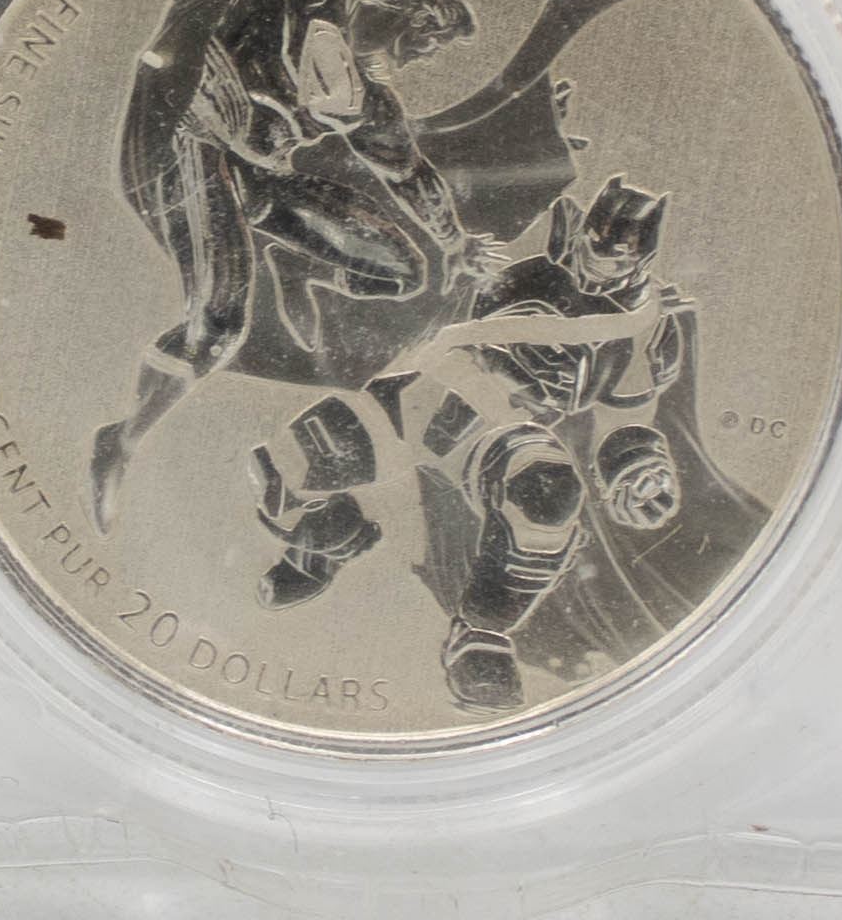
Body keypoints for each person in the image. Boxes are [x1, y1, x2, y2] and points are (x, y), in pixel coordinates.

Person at [90, 0, 497, 533]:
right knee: (219, 321)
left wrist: (454, 244)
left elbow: (411, 176)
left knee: (401, 269)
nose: (421, 59)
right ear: (415, 20)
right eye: (429, 44)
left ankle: (293, 260)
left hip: (249, 175)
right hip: (183, 130)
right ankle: (124, 439)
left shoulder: (370, 104)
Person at [248, 176, 688, 712]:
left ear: (643, 256)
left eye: (622, 253)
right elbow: (441, 279)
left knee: (547, 494)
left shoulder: (642, 329)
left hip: (503, 426)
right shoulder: (528, 261)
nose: (605, 259)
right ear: (581, 232)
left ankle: (481, 637)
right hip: (429, 391)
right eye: (598, 242)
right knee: (281, 471)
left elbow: (627, 415)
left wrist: (636, 466)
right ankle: (328, 544)